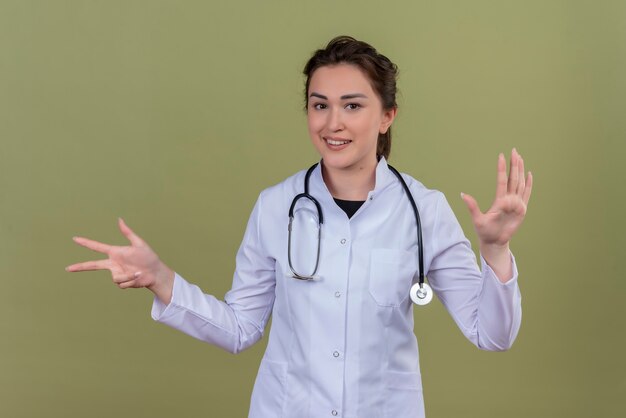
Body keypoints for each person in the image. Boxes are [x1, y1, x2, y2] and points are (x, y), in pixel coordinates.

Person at [67, 36, 533, 418]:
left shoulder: (424, 211)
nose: (333, 123)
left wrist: (495, 252)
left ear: (387, 115)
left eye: (353, 106)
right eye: (319, 105)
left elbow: (490, 335)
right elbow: (239, 328)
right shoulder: (276, 206)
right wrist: (163, 281)